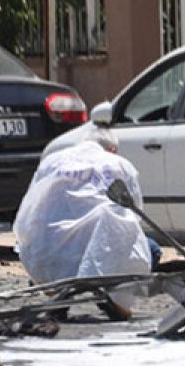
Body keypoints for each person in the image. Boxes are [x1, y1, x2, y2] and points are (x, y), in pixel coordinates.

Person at [12, 128, 157, 320]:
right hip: (99, 256)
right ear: (112, 149)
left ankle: (59, 295)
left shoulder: (52, 161)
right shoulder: (121, 164)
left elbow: (30, 208)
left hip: (46, 252)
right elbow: (134, 214)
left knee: (69, 251)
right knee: (153, 249)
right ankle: (112, 297)